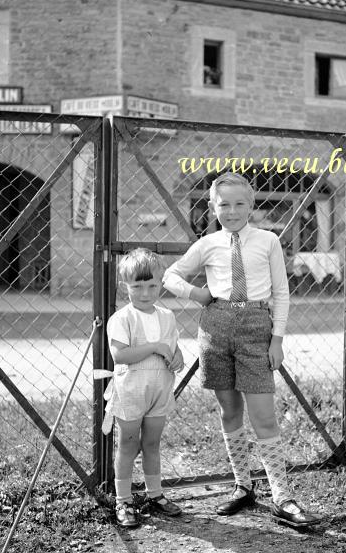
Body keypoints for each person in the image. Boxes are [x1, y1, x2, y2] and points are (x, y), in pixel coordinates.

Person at [163, 172, 321, 528]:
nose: (231, 211)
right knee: (228, 411)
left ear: (251, 206)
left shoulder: (267, 241)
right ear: (212, 207)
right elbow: (170, 276)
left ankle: (282, 496)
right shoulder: (207, 244)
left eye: (239, 204)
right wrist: (196, 294)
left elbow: (281, 292)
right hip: (216, 328)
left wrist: (276, 339)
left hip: (255, 328)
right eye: (224, 205)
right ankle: (242, 485)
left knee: (263, 414)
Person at [100, 248, 184, 528]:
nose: (146, 293)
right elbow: (120, 356)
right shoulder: (122, 319)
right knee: (128, 443)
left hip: (159, 390)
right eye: (137, 286)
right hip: (132, 390)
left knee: (151, 443)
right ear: (126, 286)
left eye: (152, 285)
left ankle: (155, 494)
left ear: (161, 283)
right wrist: (155, 347)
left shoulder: (167, 316)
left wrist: (177, 357)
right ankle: (123, 500)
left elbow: (173, 347)